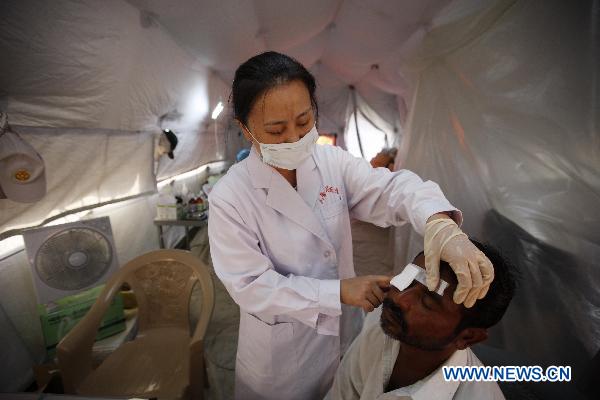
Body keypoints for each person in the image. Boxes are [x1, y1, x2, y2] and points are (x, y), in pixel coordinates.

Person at [207, 51, 495, 400]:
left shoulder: (331, 163)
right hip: (281, 358)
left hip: (343, 336)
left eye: (303, 120)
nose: (295, 138)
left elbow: (390, 189)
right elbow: (252, 286)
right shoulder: (231, 197)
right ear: (246, 128)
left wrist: (438, 221)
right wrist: (339, 292)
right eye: (276, 130)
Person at [326, 240, 515, 400]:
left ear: (467, 337)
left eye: (427, 302)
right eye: (408, 280)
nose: (400, 299)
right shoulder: (381, 324)